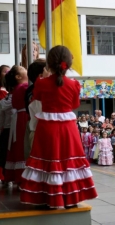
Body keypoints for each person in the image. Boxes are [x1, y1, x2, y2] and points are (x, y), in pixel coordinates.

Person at [20, 46, 97, 208]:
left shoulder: (41, 83)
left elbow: (36, 99)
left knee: (46, 160)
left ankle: (45, 198)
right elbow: (75, 104)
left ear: (49, 63)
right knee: (68, 161)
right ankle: (70, 199)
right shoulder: (74, 84)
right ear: (68, 64)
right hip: (67, 128)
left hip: (46, 127)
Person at [4, 66, 29, 186]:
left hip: (19, 118)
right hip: (23, 118)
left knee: (18, 146)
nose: (26, 70)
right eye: (23, 69)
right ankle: (23, 176)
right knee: (23, 145)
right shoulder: (24, 87)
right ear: (18, 77)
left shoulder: (17, 88)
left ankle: (17, 175)